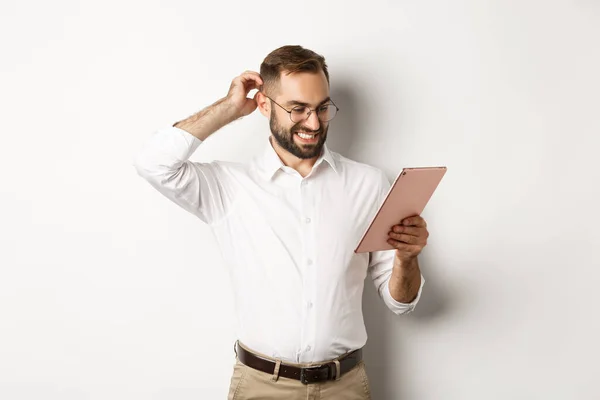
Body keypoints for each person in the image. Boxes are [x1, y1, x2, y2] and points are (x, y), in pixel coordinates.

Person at [133, 45, 428, 400]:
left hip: (345, 387)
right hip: (261, 387)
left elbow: (401, 302)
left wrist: (407, 259)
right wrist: (228, 108)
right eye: (298, 109)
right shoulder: (228, 186)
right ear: (264, 106)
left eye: (322, 108)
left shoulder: (370, 184)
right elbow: (153, 164)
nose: (314, 123)